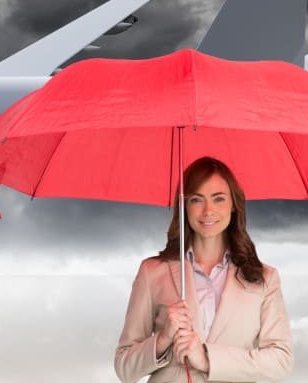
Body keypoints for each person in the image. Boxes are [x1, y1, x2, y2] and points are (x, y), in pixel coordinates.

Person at [114, 157, 294, 383]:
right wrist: (163, 339)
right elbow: (124, 368)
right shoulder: (152, 272)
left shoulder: (264, 279)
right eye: (196, 200)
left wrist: (208, 359)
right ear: (184, 207)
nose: (208, 210)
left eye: (218, 199)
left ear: (234, 205)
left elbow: (280, 360)